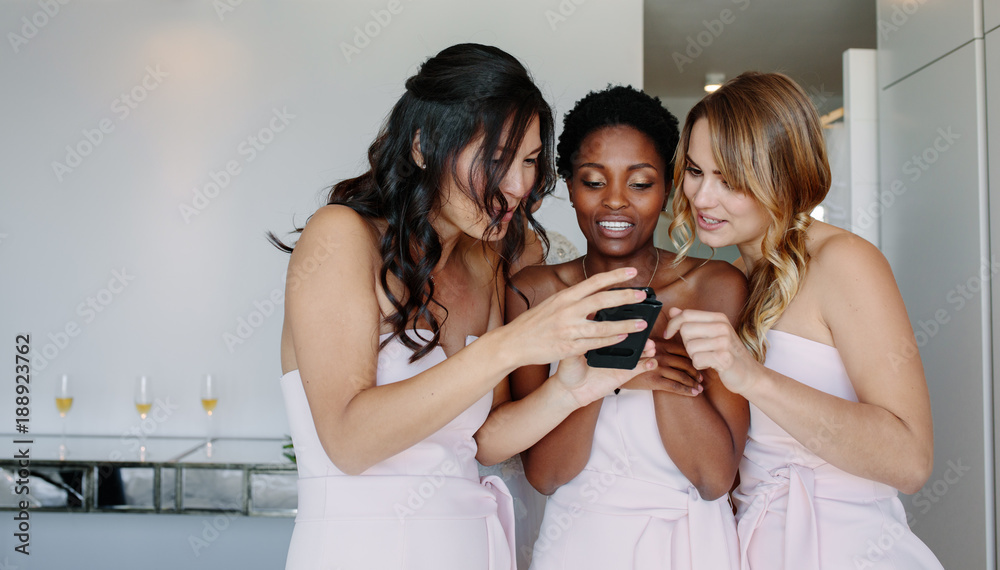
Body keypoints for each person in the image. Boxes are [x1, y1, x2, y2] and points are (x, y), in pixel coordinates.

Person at [270, 44, 660, 570]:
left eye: (528, 163)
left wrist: (574, 388)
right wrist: (511, 345)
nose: (520, 186)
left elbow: (485, 441)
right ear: (423, 146)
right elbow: (348, 441)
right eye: (497, 161)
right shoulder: (340, 237)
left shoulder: (482, 263)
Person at [663, 72, 944, 569]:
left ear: (783, 174)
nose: (702, 198)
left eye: (729, 180)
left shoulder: (846, 262)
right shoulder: (722, 282)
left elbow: (910, 460)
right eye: (695, 171)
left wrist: (753, 377)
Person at [508, 85, 750, 570]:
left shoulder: (716, 286)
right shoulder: (533, 292)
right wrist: (612, 371)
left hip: (692, 545)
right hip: (577, 544)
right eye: (594, 182)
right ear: (570, 186)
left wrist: (643, 361)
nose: (615, 202)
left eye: (640, 183)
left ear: (667, 188)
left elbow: (714, 477)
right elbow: (546, 473)